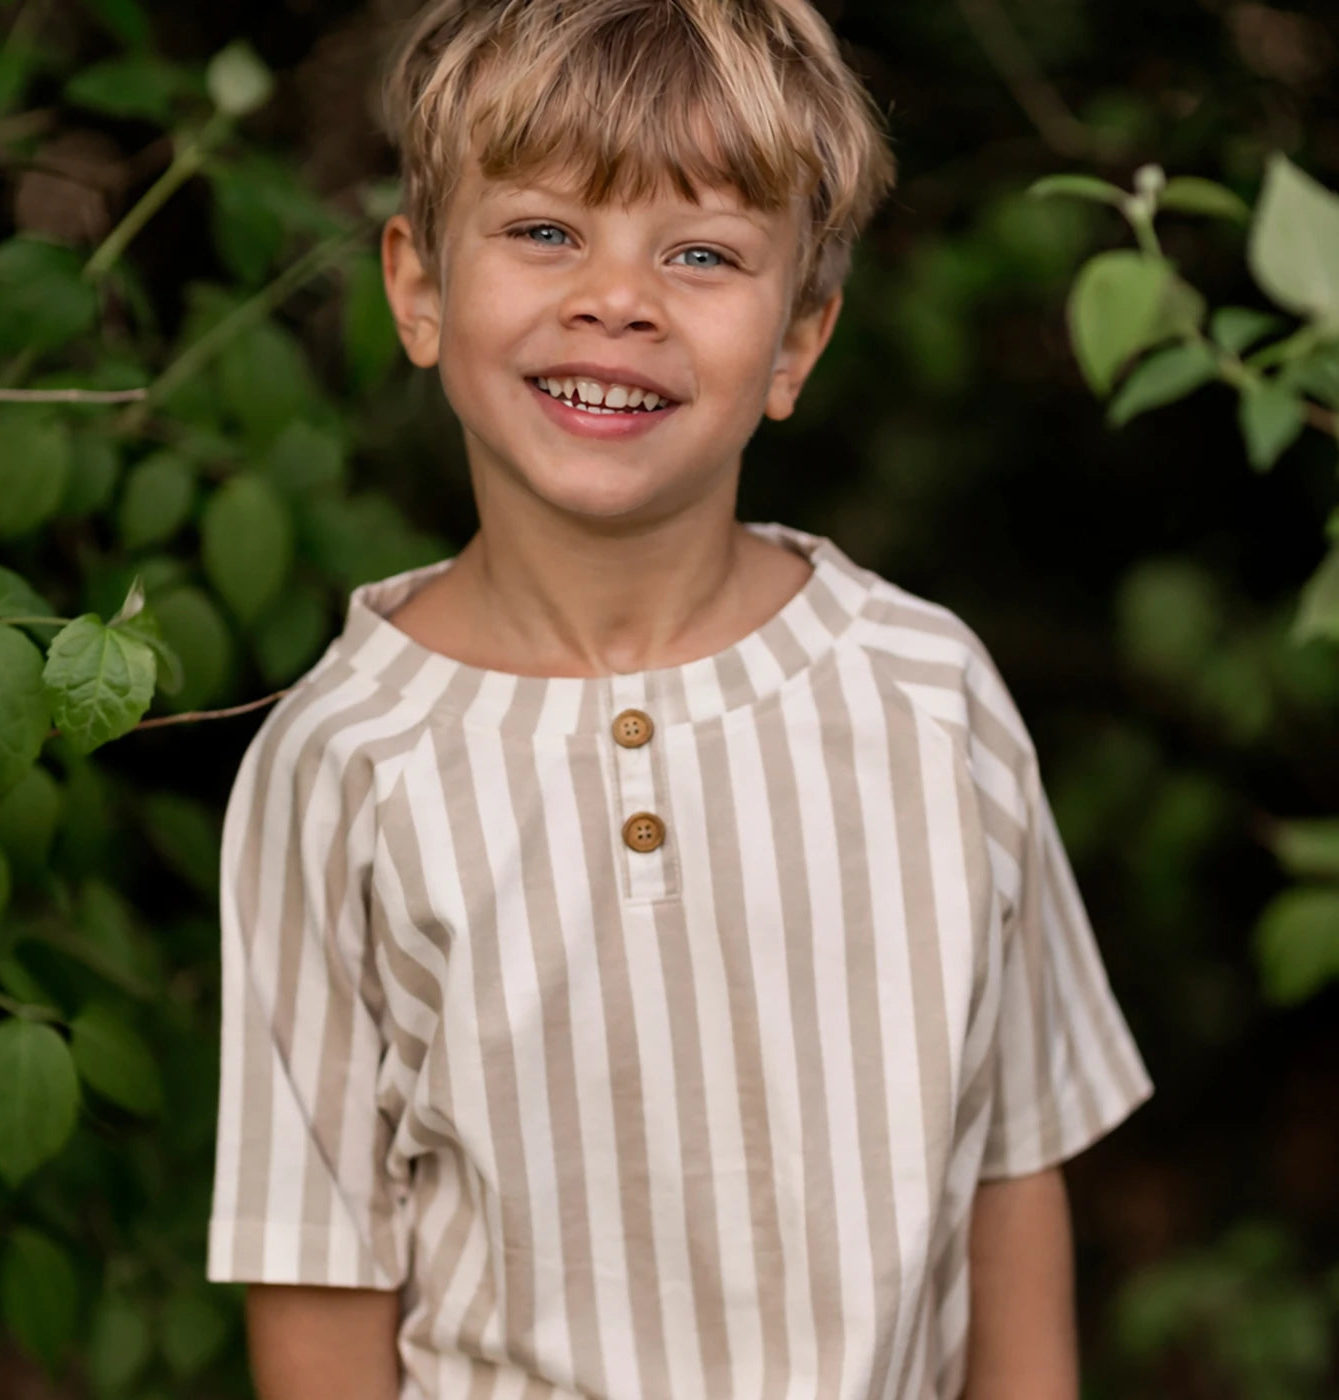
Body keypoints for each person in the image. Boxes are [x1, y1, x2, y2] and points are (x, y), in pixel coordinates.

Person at [206, 1, 1154, 1396]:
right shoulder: (343, 761)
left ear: (798, 341)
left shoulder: (928, 694)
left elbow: (1012, 1167)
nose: (618, 299)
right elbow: (320, 1266)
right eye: (543, 231)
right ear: (417, 289)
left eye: (702, 254)